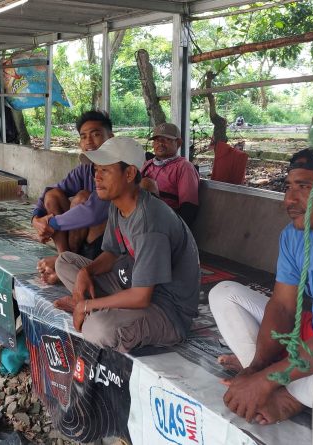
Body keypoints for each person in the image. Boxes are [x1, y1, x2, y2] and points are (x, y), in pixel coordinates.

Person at [52, 137, 201, 353]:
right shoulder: (117, 204)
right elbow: (111, 253)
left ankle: (94, 309)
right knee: (64, 261)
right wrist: (86, 272)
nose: (97, 177)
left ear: (129, 174)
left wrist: (86, 305)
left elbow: (141, 297)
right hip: (130, 283)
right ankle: (99, 307)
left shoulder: (150, 222)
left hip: (165, 310)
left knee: (98, 328)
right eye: (96, 169)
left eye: (105, 170)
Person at [209, 148, 313, 425]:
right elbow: (283, 306)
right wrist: (257, 368)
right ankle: (264, 382)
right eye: (288, 187)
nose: (290, 199)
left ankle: (289, 397)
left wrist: (268, 380)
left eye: (304, 186)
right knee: (224, 294)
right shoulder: (293, 236)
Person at [31, 111, 114, 285]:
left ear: (111, 138)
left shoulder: (118, 167)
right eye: (83, 137)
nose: (88, 141)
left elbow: (94, 211)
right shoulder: (86, 168)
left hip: (108, 241)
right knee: (53, 195)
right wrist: (36, 219)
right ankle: (64, 259)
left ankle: (66, 264)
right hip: (84, 235)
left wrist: (50, 224)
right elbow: (50, 191)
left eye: (96, 134)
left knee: (82, 198)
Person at [140, 122, 200, 227]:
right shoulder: (148, 164)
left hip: (166, 224)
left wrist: (175, 230)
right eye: (157, 140)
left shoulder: (184, 167)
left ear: (179, 143)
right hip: (142, 220)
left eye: (166, 139)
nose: (160, 143)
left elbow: (189, 209)